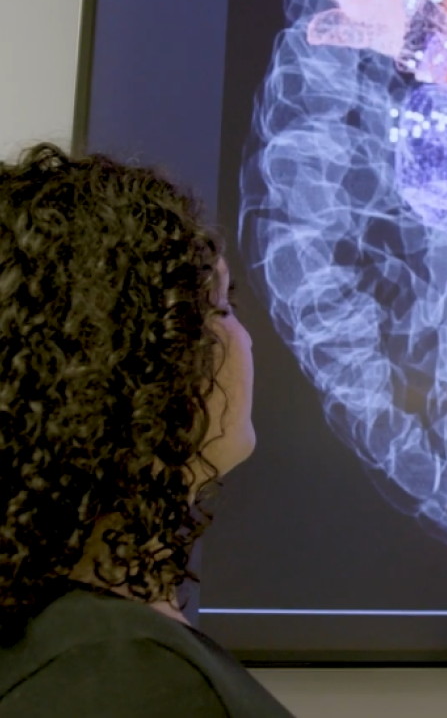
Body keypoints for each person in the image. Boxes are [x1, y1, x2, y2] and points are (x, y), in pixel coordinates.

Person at [0, 145, 293, 716]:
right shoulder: (125, 680)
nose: (247, 340)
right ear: (136, 361)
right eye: (220, 306)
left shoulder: (61, 642)